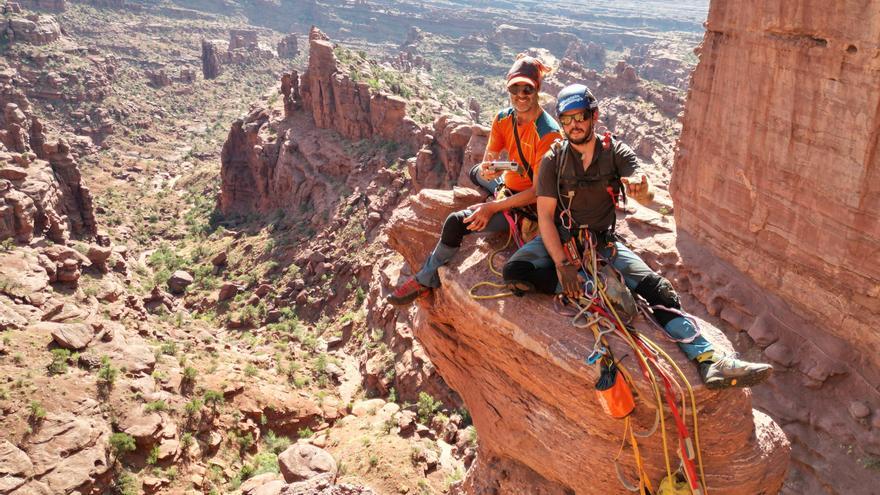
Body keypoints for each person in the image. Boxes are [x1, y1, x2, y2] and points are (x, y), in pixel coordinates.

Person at [502, 83, 773, 389]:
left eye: (580, 116)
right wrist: (563, 265)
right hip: (564, 236)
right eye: (566, 119)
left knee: (659, 290)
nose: (573, 125)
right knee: (515, 272)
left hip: (603, 241)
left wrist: (644, 191)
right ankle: (594, 286)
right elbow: (546, 217)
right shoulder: (554, 159)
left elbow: (642, 187)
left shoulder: (614, 152)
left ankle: (709, 361)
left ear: (594, 116)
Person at [387, 55, 562, 306]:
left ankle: (425, 279)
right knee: (476, 172)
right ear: (508, 88)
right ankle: (494, 191)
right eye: (515, 88)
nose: (520, 95)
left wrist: (491, 207)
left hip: (529, 203)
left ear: (537, 90)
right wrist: (490, 169)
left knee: (456, 222)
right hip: (508, 184)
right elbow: (491, 155)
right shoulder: (504, 118)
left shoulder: (548, 133)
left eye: (527, 89)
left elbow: (538, 192)